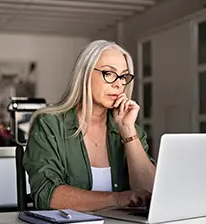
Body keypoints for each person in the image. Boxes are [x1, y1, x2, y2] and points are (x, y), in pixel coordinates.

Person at [23, 40, 156, 212]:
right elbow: (47, 196)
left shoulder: (131, 130)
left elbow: (152, 193)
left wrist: (128, 131)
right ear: (85, 74)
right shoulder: (49, 125)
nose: (119, 84)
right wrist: (118, 198)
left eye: (123, 76)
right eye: (109, 73)